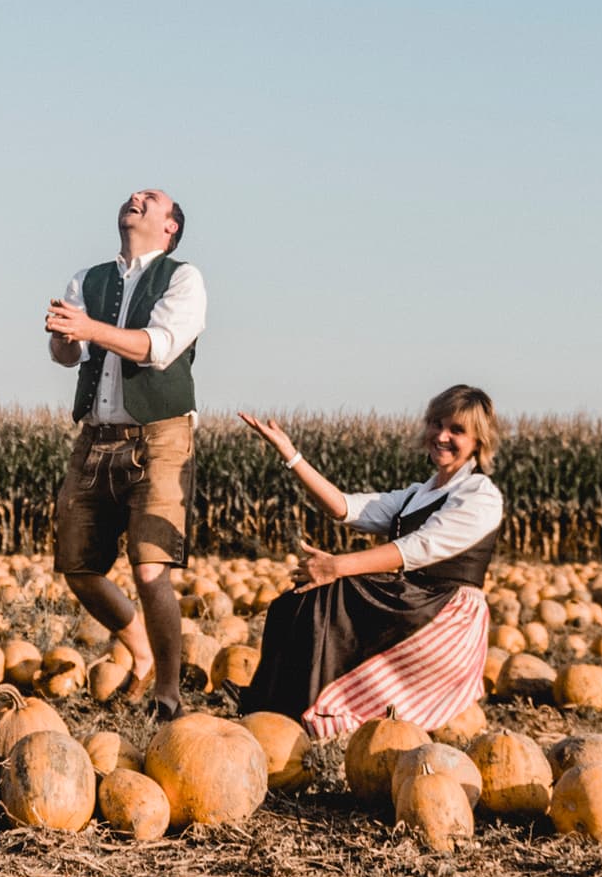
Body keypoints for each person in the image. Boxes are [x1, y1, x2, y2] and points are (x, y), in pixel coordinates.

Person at [235, 386, 505, 736]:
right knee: (298, 599)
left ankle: (311, 715)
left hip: (446, 617)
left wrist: (335, 566)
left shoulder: (479, 495)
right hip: (411, 602)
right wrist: (290, 454)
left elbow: (417, 548)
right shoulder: (419, 493)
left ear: (478, 441)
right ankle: (272, 707)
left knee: (333, 595)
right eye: (436, 424)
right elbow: (345, 507)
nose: (441, 436)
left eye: (457, 430)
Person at [42, 187, 204, 712]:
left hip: (159, 437)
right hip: (95, 436)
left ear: (170, 226)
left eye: (150, 198)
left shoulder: (182, 277)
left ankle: (167, 695)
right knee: (77, 566)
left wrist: (87, 328)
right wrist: (65, 340)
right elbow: (67, 355)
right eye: (133, 195)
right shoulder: (88, 279)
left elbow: (157, 348)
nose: (135, 197)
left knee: (150, 565)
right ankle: (141, 650)